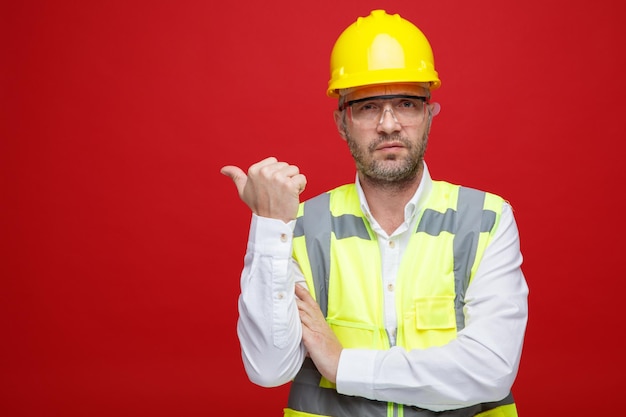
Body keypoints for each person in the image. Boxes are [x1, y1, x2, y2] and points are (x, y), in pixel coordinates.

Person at [221, 9, 528, 417]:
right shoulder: (299, 228)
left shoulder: (487, 221)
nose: (388, 124)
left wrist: (343, 364)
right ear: (341, 122)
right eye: (367, 107)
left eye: (406, 103)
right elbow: (268, 368)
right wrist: (268, 225)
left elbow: (490, 370)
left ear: (429, 114)